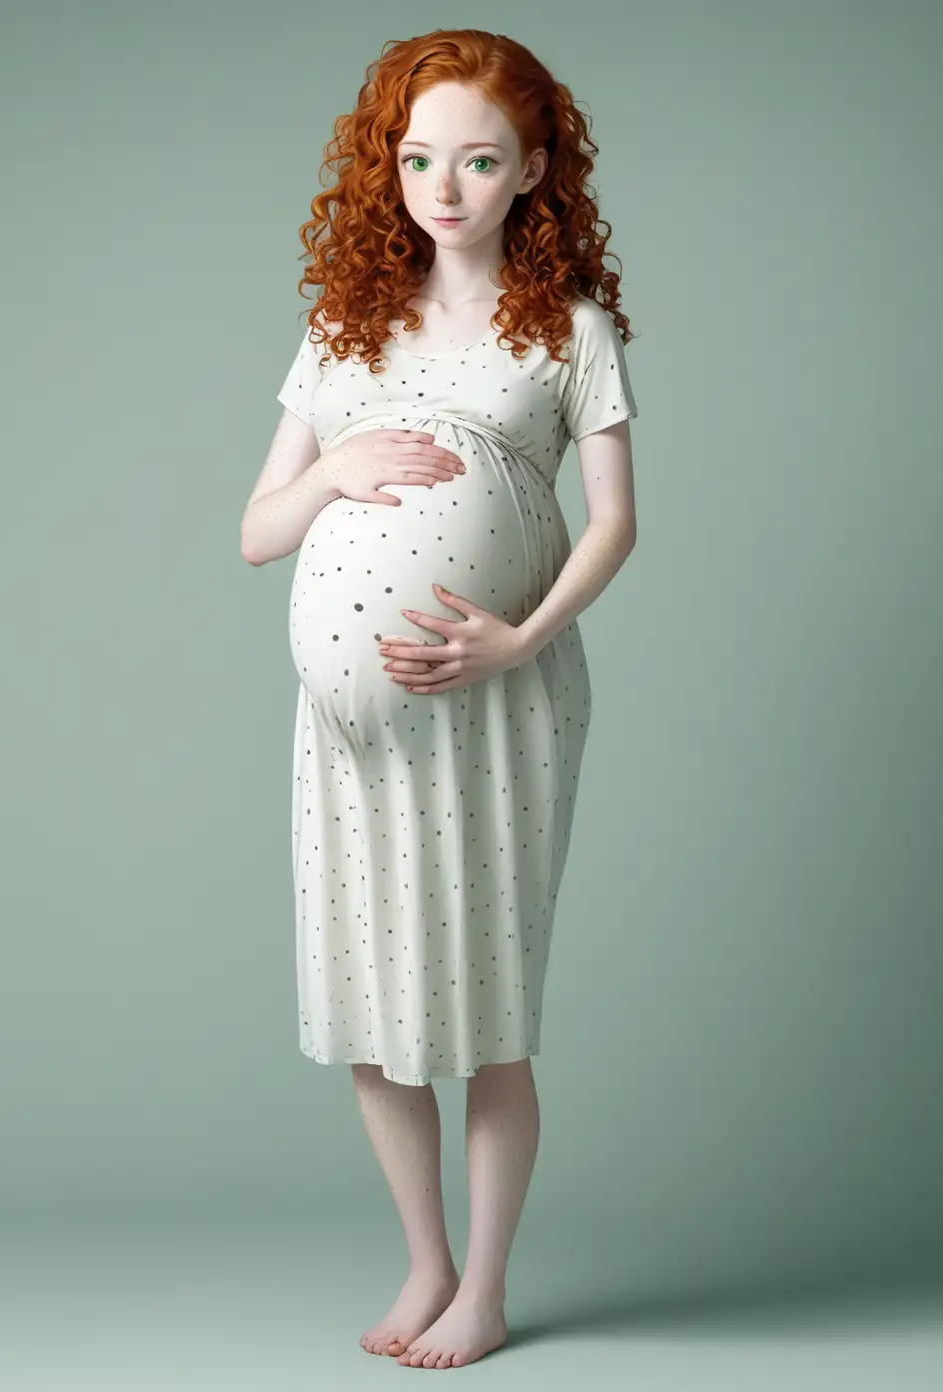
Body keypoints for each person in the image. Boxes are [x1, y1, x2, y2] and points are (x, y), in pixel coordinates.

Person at [239, 28, 640, 1370]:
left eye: (478, 159)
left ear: (533, 168)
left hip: (497, 704)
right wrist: (336, 467)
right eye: (419, 158)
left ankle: (490, 1291)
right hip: (349, 733)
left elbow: (615, 527)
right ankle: (425, 1267)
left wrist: (518, 640)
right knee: (374, 1013)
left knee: (483, 1016)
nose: (445, 185)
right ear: (387, 165)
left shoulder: (567, 331)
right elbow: (256, 530)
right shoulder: (345, 327)